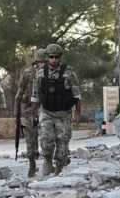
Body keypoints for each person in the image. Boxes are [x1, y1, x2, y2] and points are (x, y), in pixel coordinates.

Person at [31, 43, 82, 176]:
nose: (54, 60)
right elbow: (36, 95)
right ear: (47, 57)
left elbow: (77, 95)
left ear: (60, 57)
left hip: (63, 114)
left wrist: (77, 113)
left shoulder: (69, 72)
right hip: (46, 112)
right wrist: (33, 114)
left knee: (62, 145)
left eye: (56, 57)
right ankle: (47, 161)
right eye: (51, 57)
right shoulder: (40, 73)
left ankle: (59, 169)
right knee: (46, 141)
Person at [15, 49, 45, 177]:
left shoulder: (51, 73)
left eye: (43, 62)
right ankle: (32, 164)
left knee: (47, 138)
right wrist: (16, 113)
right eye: (39, 62)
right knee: (30, 140)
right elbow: (19, 92)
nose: (41, 64)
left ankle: (49, 161)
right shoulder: (28, 73)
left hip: (46, 110)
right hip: (29, 111)